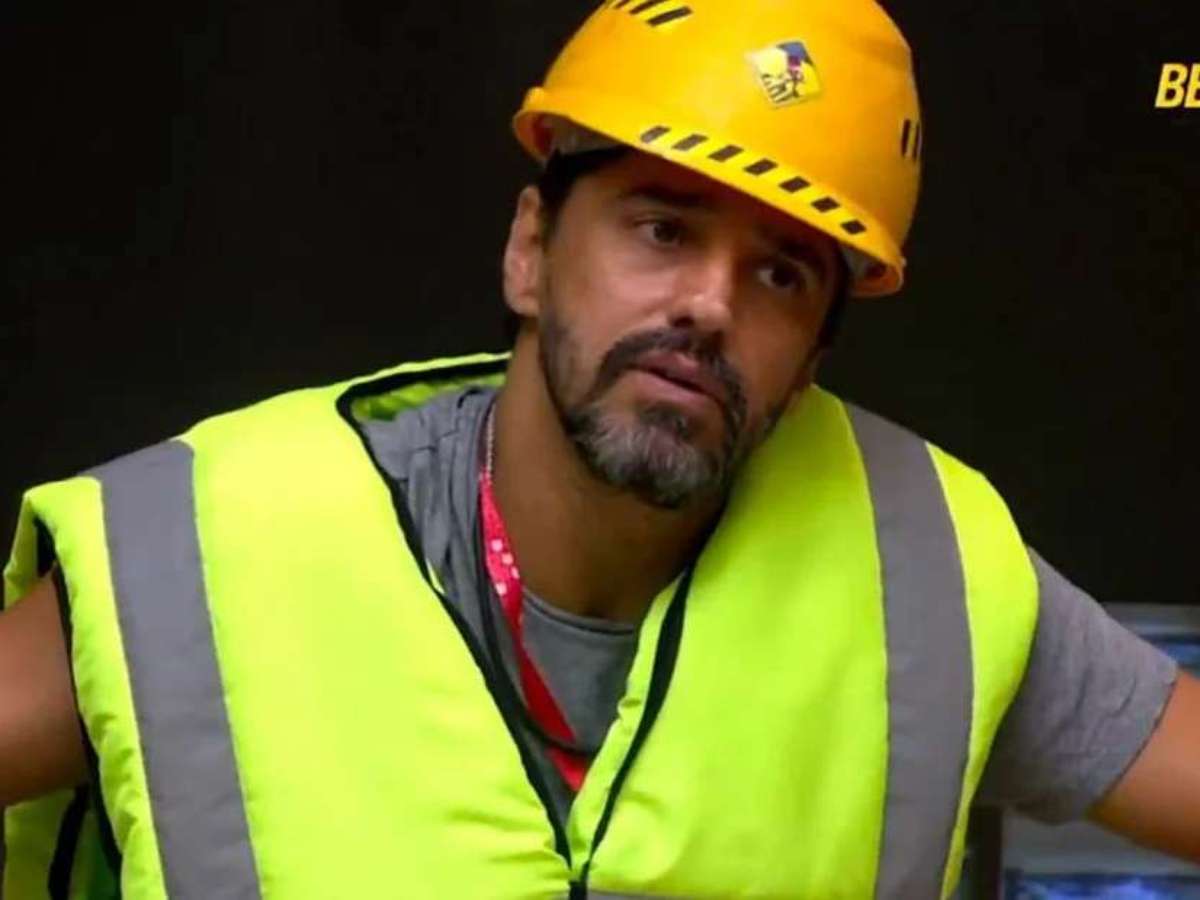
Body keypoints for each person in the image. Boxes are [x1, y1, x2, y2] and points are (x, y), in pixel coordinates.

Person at [2, 1, 1199, 897]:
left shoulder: (926, 578)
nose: (710, 305)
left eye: (781, 275)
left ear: (810, 362)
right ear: (530, 250)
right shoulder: (205, 547)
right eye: (663, 228)